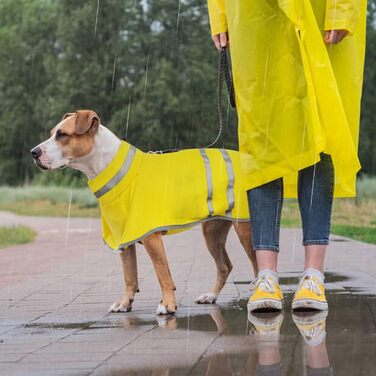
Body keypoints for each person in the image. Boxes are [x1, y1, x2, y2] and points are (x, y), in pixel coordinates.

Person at [207, 0, 367, 311]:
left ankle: (313, 276)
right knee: (261, 143)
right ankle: (266, 277)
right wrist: (219, 14)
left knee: (319, 136)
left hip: (317, 13)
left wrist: (342, 9)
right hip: (254, 17)